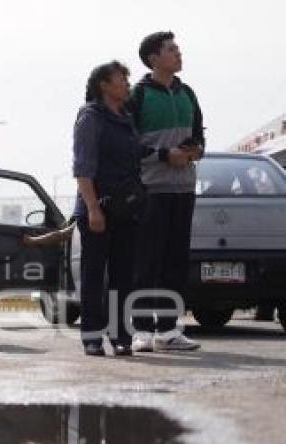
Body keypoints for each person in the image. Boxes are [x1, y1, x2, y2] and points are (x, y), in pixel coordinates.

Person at [128, 31, 204, 352]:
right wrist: (163, 155)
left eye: (177, 49)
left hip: (183, 190)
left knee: (175, 262)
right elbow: (128, 143)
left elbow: (199, 136)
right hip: (151, 191)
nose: (179, 53)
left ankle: (169, 329)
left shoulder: (188, 93)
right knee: (147, 263)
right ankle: (142, 331)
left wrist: (194, 151)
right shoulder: (138, 96)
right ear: (154, 59)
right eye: (172, 50)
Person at [72, 61, 140, 356]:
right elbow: (83, 167)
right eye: (121, 79)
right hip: (97, 207)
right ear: (104, 85)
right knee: (94, 273)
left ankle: (121, 334)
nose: (127, 83)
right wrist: (92, 208)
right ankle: (92, 336)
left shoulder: (126, 117)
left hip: (127, 207)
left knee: (124, 274)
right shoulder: (90, 116)